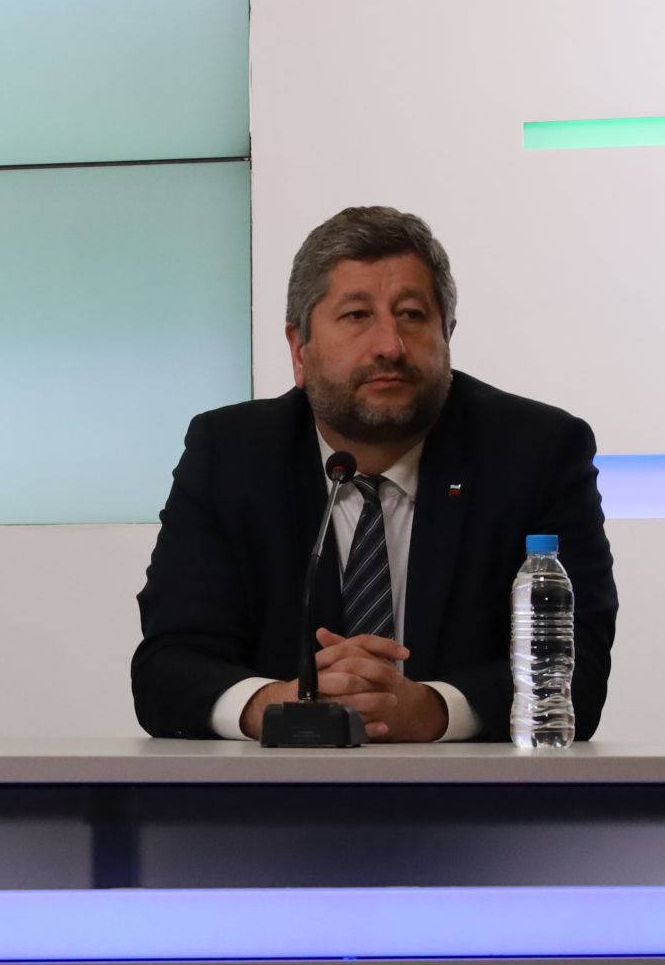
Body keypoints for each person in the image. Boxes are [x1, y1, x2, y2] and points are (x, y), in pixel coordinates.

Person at [133, 206, 617, 742]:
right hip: (275, 790)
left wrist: (431, 710)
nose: (390, 345)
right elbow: (167, 668)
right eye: (357, 315)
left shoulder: (536, 452)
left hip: (474, 792)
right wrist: (278, 705)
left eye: (411, 314)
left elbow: (576, 674)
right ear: (299, 349)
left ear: (447, 336)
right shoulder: (231, 455)